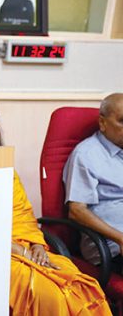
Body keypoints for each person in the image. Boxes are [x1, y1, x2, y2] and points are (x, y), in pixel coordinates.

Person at [0, 98, 111, 316]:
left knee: (83, 287)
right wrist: (17, 250)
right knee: (51, 296)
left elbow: (23, 216)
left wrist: (37, 246)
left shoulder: (5, 168)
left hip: (24, 246)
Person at [63, 93, 123, 266]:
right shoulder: (86, 155)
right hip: (112, 246)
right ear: (103, 123)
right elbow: (76, 211)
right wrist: (120, 238)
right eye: (122, 121)